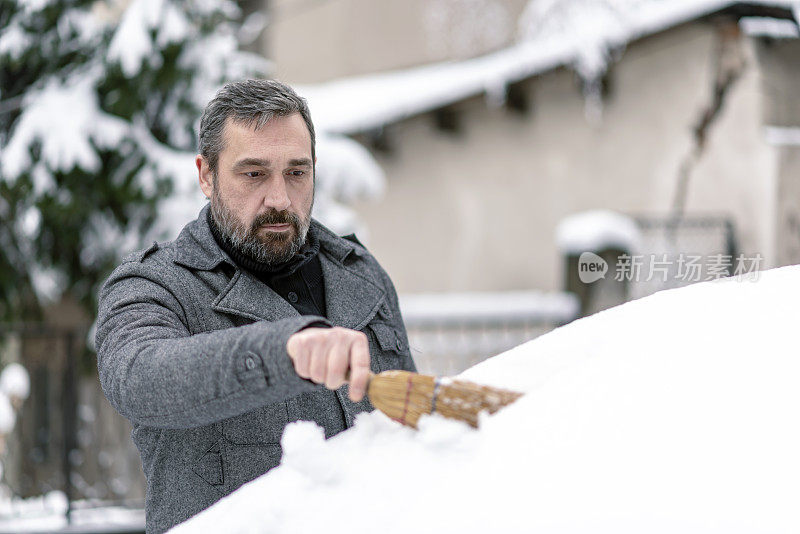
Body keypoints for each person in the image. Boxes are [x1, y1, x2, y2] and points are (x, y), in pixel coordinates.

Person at [95, 79, 416, 533]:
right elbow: (141, 378)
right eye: (254, 174)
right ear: (206, 175)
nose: (280, 199)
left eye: (296, 172)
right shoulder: (154, 285)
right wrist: (284, 351)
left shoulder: (361, 274)